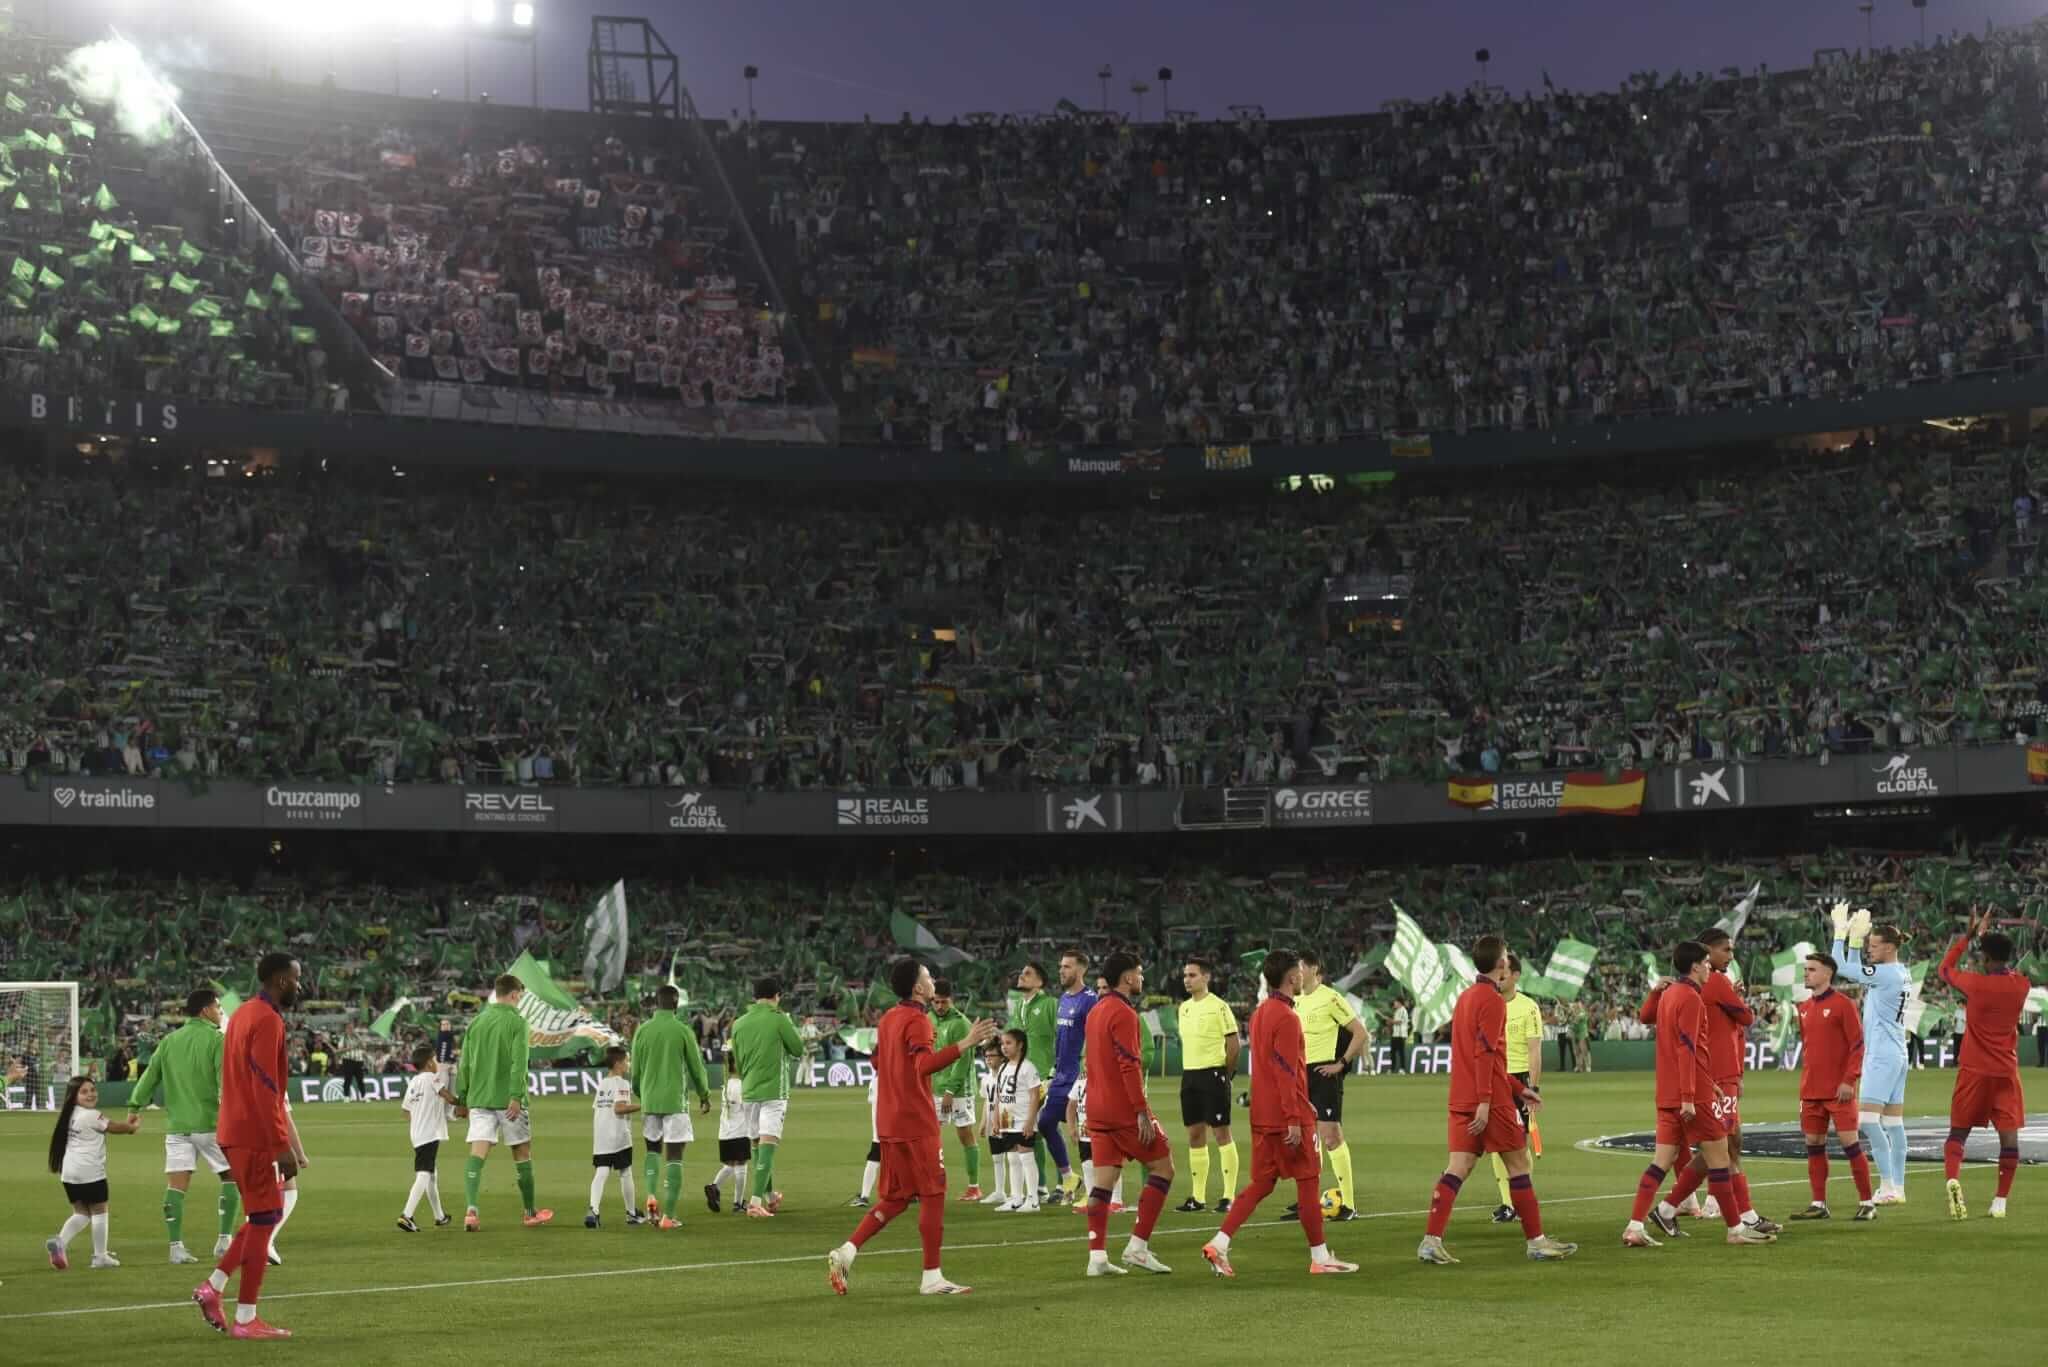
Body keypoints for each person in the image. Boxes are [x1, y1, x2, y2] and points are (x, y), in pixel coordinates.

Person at [825, 957, 995, 1297]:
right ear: (918, 987)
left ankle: (847, 1251)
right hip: (915, 1121)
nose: (933, 981)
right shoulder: (918, 1021)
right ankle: (931, 1277)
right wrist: (966, 1043)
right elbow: (924, 1065)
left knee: (898, 1197)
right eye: (928, 976)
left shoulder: (888, 1019)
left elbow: (875, 1060)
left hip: (888, 1121)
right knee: (933, 1193)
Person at [1200, 950, 1358, 1278]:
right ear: (1292, 978)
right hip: (1287, 1117)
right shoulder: (1287, 1017)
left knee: (1262, 1183)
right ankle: (1319, 1257)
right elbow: (1287, 1071)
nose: (1302, 976)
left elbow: (1271, 1069)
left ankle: (1220, 1242)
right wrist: (1294, 1116)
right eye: (1298, 972)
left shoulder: (1260, 1014)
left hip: (1263, 1114)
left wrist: (1303, 1102)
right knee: (1309, 1179)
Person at [1420, 935, 1576, 1266]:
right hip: (1489, 1101)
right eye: (1506, 955)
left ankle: (1431, 1241)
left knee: (1457, 1167)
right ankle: (1536, 1242)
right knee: (1519, 1165)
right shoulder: (1492, 1001)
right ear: (1501, 964)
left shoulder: (1465, 998)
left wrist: (1521, 1089)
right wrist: (1487, 1101)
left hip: (1462, 1096)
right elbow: (1486, 1054)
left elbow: (1477, 1055)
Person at [1621, 941, 1775, 1250]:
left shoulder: (1668, 995)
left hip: (1667, 1094)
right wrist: (1692, 1095)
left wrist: (1707, 1083)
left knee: (1660, 1162)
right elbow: (1688, 1049)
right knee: (1720, 1158)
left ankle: (1635, 1226)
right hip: (1692, 1095)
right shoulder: (1691, 998)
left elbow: (1673, 1039)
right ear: (1695, 966)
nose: (1710, 968)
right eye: (1706, 963)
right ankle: (1735, 1228)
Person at [194, 951, 304, 1339]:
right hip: (253, 1136)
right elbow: (265, 1087)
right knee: (264, 1221)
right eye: (296, 978)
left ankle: (214, 1286)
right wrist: (281, 1143)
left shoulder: (240, 1014)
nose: (300, 985)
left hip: (233, 1129)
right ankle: (245, 1318)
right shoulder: (267, 1020)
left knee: (262, 1217)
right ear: (280, 980)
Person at [1080, 950, 1175, 1277]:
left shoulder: (1095, 1012)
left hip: (1096, 1109)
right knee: (1164, 1167)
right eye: (1139, 972)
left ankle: (1097, 1257)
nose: (1142, 978)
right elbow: (1129, 1065)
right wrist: (1141, 1112)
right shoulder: (1124, 1014)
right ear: (1128, 978)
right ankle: (1138, 1246)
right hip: (1122, 1110)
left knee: (1103, 1181)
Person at [127, 987, 238, 1266]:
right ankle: (224, 1242)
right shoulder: (217, 1040)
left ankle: (176, 1248)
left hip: (177, 1127)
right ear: (205, 1011)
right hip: (212, 1124)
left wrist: (134, 1106)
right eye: (217, 1008)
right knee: (232, 1177)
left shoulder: (169, 1041)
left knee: (176, 1187)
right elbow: (225, 1083)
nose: (220, 1012)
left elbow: (150, 1075)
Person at [1939, 907, 2033, 1220]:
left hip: (1974, 1071)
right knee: (2009, 1139)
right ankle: (2000, 1202)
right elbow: (2004, 968)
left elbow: (1944, 969)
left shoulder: (1974, 985)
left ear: (1984, 959)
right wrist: (1985, 940)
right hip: (2006, 1073)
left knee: (1957, 1134)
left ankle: (1953, 1178)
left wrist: (1968, 937)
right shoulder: (2021, 986)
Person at [453, 973, 551, 1232]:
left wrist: (462, 1097)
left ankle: (471, 1210)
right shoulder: (518, 1023)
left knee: (477, 1153)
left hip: (479, 1099)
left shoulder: (476, 1023)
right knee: (521, 1153)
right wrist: (516, 1096)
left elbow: (464, 1064)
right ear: (515, 994)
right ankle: (530, 1213)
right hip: (508, 1101)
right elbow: (520, 1063)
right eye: (520, 995)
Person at [1832, 904, 1914, 1204]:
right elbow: (1857, 972)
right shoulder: (1899, 972)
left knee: (1867, 1121)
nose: (1870, 951)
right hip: (1896, 1053)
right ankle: (1898, 1187)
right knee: (1893, 1124)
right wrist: (1856, 942)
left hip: (1882, 1055)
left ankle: (1888, 1185)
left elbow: (1840, 967)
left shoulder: (1885, 974)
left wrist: (1841, 935)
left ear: (1890, 948)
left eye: (1874, 946)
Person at [1788, 952, 1878, 1223]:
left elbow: (1857, 1045)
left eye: (1812, 969)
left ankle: (1867, 1202)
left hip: (1839, 1091)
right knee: (1813, 1145)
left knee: (1851, 1145)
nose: (1806, 974)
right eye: (1805, 969)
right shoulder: (1803, 1008)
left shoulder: (1843, 1005)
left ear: (1827, 973)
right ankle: (1818, 1203)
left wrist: (1850, 1080)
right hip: (1810, 1091)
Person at [630, 984, 712, 1229]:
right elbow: (696, 1067)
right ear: (676, 1005)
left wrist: (641, 1092)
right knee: (674, 1156)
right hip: (676, 1101)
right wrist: (704, 1094)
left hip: (650, 1100)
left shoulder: (642, 1031)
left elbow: (635, 1070)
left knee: (652, 1150)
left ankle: (651, 1195)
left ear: (656, 1003)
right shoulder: (683, 1030)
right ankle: (669, 1216)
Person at [1292, 952, 1366, 1221]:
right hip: (1299, 1074)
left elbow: (1360, 1033)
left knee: (1331, 1136)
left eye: (1300, 967)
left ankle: (1348, 1203)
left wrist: (1341, 1063)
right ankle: (1307, 1201)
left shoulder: (1330, 997)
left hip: (1323, 1072)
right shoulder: (1295, 1001)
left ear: (1313, 968)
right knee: (1304, 1140)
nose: (1297, 972)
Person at [47, 1075, 143, 1270]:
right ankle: (100, 1256)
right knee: (100, 1211)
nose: (90, 1094)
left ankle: (60, 1242)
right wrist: (132, 1126)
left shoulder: (70, 1113)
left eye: (92, 1090)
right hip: (89, 1171)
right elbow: (114, 1127)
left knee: (82, 1213)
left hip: (69, 1172)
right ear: (74, 1096)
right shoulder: (91, 1115)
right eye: (84, 1091)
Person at [730, 975, 804, 1218]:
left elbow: (738, 1062)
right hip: (774, 1090)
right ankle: (754, 1202)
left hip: (749, 1090)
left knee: (757, 1146)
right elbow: (798, 1049)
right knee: (768, 1146)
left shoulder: (739, 1023)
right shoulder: (779, 1019)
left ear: (754, 997)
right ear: (777, 996)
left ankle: (770, 1196)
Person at [1175, 958, 1241, 1214]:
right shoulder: (1184, 1008)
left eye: (1192, 975)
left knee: (1221, 1133)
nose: (1187, 979)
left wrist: (1226, 1074)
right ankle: (1198, 1197)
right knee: (1194, 1135)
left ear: (1206, 977)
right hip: (1189, 1075)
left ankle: (1228, 1196)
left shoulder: (1219, 1006)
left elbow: (1234, 1044)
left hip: (1213, 1074)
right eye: (1185, 975)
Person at [1488, 954, 1545, 1225]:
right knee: (1497, 1142)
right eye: (1499, 971)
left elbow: (1535, 1050)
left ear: (1516, 976)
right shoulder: (1490, 1004)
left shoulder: (1528, 1007)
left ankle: (1523, 1198)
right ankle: (1508, 1203)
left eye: (1505, 972)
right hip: (1495, 1078)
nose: (1500, 976)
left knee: (1519, 1144)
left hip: (1519, 1078)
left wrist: (1533, 1087)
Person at [1038, 949, 1096, 1205]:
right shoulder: (1063, 999)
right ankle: (1069, 1176)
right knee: (1046, 1122)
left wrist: (1089, 1069)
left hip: (1080, 1076)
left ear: (1081, 970)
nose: (1061, 970)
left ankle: (1095, 1190)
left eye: (1067, 967)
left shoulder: (1090, 1000)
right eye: (1061, 966)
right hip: (1061, 1076)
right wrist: (1052, 1074)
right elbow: (1061, 1042)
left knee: (1087, 1131)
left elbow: (1095, 1037)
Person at [930, 979, 982, 1201]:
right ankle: (929, 1183)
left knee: (965, 1135)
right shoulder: (928, 1019)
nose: (939, 1006)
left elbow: (963, 1061)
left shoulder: (961, 1023)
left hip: (959, 1091)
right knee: (929, 1136)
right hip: (935, 1088)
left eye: (943, 1002)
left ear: (951, 1000)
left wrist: (951, 1091)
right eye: (936, 1002)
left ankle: (974, 1187)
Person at [397, 1043, 455, 1231]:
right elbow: (449, 1097)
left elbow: (405, 1111)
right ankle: (407, 1215)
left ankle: (440, 1216)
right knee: (424, 1173)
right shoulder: (433, 1078)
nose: (437, 1062)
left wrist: (420, 1117)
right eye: (436, 1059)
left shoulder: (413, 1082)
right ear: (430, 1063)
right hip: (430, 1133)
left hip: (417, 1133)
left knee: (431, 1174)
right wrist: (466, 1102)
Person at [1014, 962, 1058, 1201]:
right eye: (1022, 972)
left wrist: (1054, 1072)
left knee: (1050, 1129)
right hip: (1023, 1078)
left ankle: (1065, 1183)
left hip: (1046, 1076)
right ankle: (1040, 1185)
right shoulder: (1018, 1006)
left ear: (1040, 982)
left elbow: (1063, 1039)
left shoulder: (1051, 1004)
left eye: (1027, 973)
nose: (1022, 975)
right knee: (1030, 1131)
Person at [587, 1045, 644, 1228]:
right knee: (625, 1172)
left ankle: (593, 1210)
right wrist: (643, 1106)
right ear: (618, 1063)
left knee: (601, 1171)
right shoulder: (622, 1083)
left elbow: (599, 1109)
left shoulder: (603, 1083)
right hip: (618, 1135)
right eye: (626, 1060)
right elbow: (619, 1108)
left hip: (601, 1135)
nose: (628, 1064)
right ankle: (631, 1213)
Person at [990, 1030, 1042, 1212]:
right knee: (1012, 1158)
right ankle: (1016, 1198)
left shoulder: (1028, 1068)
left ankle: (1033, 1200)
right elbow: (998, 1096)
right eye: (1003, 1043)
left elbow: (1035, 1096)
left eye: (1008, 1043)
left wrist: (1030, 1121)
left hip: (1023, 1120)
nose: (1004, 1047)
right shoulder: (1003, 1067)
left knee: (1026, 1156)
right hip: (1007, 1121)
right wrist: (995, 1119)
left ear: (1020, 1044)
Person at [708, 1049, 751, 1215]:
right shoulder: (740, 1086)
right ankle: (738, 1203)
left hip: (725, 1131)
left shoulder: (727, 1085)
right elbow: (746, 1108)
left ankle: (714, 1187)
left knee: (730, 1165)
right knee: (741, 1166)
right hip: (739, 1131)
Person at [979, 1040, 1010, 1207]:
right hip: (992, 1123)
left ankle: (1017, 1193)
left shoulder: (1007, 1077)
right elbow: (987, 1102)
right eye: (986, 1056)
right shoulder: (986, 1079)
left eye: (992, 1055)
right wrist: (984, 1123)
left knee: (1014, 1158)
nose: (988, 1059)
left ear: (1002, 1057)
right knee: (997, 1158)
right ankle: (1000, 1192)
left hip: (1006, 1122)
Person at [1389, 998, 1412, 1074]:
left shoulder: (1403, 1010)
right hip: (1395, 1034)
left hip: (1401, 1034)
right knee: (1392, 1052)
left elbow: (1399, 1022)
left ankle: (1402, 1068)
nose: (1394, 1004)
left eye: (1395, 1002)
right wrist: (1391, 1021)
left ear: (1399, 1003)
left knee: (1401, 1052)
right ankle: (1392, 1068)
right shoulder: (1396, 1011)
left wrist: (1390, 1021)